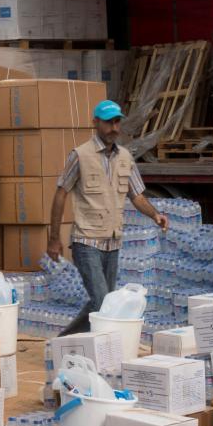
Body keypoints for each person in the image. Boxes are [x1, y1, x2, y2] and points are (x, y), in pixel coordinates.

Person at [47, 100, 169, 337]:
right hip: (87, 241)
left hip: (113, 243)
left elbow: (137, 196)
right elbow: (60, 195)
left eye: (116, 122)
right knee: (103, 302)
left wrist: (156, 214)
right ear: (95, 123)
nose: (114, 128)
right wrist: (54, 239)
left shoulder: (125, 157)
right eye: (108, 122)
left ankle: (75, 344)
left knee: (103, 304)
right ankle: (64, 342)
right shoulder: (80, 156)